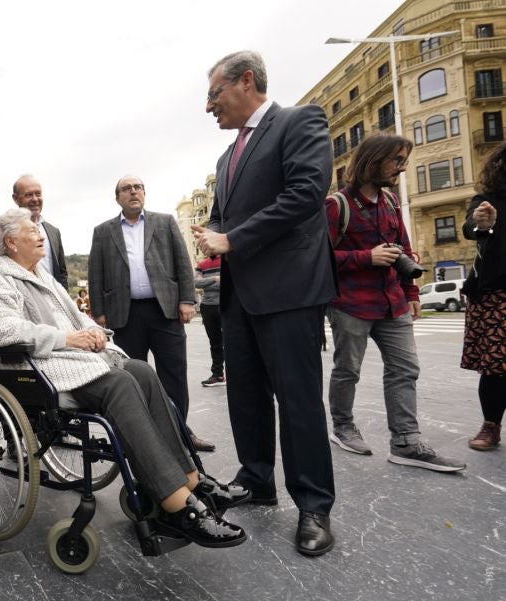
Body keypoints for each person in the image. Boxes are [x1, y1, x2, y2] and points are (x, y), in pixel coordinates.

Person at [0, 208, 250, 549]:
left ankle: (191, 480)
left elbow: (79, 317)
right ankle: (175, 504)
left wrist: (94, 333)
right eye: (32, 230)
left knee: (140, 370)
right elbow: (1, 329)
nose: (40, 234)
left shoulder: (44, 278)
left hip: (74, 360)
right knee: (120, 385)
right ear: (11, 242)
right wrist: (67, 339)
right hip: (41, 369)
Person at [192, 50, 337, 556]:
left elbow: (305, 192)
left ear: (246, 80)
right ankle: (256, 479)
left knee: (298, 401)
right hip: (239, 297)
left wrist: (232, 240)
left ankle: (314, 505)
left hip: (290, 291)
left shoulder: (300, 121)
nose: (209, 106)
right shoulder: (225, 157)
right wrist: (210, 231)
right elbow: (219, 215)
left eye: (214, 94)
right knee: (246, 397)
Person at [324, 133, 466, 472]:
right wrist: (365, 257)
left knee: (405, 369)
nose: (402, 168)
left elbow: (403, 246)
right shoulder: (336, 205)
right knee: (348, 370)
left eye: (404, 161)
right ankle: (343, 427)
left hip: (393, 301)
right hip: (350, 303)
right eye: (396, 160)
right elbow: (317, 257)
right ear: (373, 161)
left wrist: (412, 292)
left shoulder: (390, 201)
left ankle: (406, 442)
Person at [88, 175, 214, 453]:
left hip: (164, 311)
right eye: (126, 188)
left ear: (144, 193)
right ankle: (145, 439)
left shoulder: (164, 221)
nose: (133, 192)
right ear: (117, 197)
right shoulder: (103, 231)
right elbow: (95, 273)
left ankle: (181, 435)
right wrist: (99, 313)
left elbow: (182, 262)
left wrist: (187, 299)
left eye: (138, 187)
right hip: (125, 315)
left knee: (174, 375)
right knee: (133, 378)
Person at [461, 142, 506, 452]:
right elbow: (471, 227)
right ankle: (491, 425)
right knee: (495, 365)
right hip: (496, 293)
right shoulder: (487, 201)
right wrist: (482, 224)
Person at [0, 174, 68, 288]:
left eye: (38, 194)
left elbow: (62, 273)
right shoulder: (2, 229)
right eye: (28, 195)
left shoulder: (54, 232)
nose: (35, 199)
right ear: (15, 198)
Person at [195, 256, 226, 387]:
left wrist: (205, 281)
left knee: (233, 342)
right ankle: (218, 375)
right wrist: (215, 278)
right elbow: (195, 283)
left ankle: (238, 375)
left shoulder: (226, 259)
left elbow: (228, 281)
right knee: (214, 343)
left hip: (226, 304)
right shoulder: (201, 264)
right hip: (207, 307)